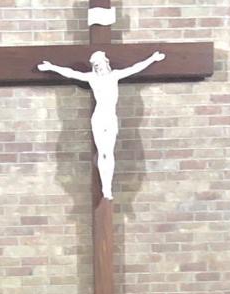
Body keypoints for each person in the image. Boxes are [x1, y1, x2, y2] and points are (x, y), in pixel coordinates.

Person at [37, 49, 165, 198]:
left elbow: (135, 68)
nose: (98, 67)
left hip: (110, 117)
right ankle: (105, 186)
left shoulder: (114, 76)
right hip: (99, 117)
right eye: (96, 65)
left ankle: (107, 187)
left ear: (106, 62)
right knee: (103, 152)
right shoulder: (92, 78)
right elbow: (71, 73)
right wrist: (52, 67)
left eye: (100, 64)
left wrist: (152, 59)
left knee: (108, 153)